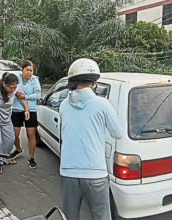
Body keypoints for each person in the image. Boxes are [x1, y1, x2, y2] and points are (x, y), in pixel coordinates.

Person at [59, 58, 123, 220]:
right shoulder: (103, 104)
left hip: (68, 172)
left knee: (69, 216)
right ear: (93, 82)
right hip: (95, 172)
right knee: (101, 216)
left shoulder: (64, 105)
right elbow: (118, 133)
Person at [10, 60, 41, 168]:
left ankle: (31, 157)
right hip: (16, 109)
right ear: (22, 70)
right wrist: (18, 95)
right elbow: (12, 91)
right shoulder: (16, 78)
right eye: (27, 70)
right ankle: (18, 149)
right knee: (14, 134)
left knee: (30, 134)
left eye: (31, 70)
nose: (29, 72)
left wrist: (25, 97)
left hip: (31, 110)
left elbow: (37, 95)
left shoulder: (35, 80)